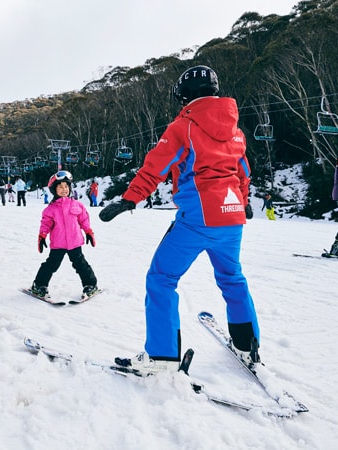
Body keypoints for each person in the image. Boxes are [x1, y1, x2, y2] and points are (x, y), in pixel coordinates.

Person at [99, 65, 259, 373]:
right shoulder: (236, 131)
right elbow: (243, 172)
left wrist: (129, 199)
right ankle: (247, 346)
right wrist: (245, 201)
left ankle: (162, 355)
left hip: (198, 219)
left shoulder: (183, 127)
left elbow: (155, 167)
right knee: (232, 278)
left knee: (161, 279)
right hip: (232, 217)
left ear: (183, 96)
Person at [31, 171, 98, 299]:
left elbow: (84, 219)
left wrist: (88, 231)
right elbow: (45, 224)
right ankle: (39, 285)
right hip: (58, 243)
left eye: (66, 186)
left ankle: (90, 284)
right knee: (51, 265)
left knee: (81, 264)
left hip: (74, 242)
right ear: (54, 189)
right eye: (60, 187)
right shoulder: (50, 209)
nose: (64, 189)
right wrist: (42, 236)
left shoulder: (77, 205)